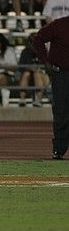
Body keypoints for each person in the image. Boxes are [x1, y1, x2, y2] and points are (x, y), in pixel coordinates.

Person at [32, 15, 69, 160]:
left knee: (61, 111)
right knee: (61, 111)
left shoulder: (59, 24)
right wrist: (45, 61)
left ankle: (59, 148)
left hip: (61, 73)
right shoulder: (59, 25)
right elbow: (38, 38)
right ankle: (59, 149)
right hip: (61, 74)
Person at [18, 33, 48, 108]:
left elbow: (49, 68)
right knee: (26, 73)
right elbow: (20, 67)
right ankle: (22, 99)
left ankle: (38, 100)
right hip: (29, 77)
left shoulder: (44, 52)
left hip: (43, 77)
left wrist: (39, 69)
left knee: (37, 74)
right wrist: (29, 68)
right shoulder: (25, 52)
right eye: (32, 43)